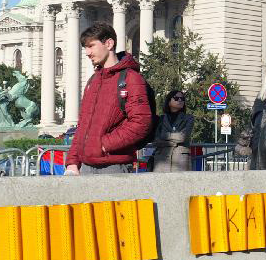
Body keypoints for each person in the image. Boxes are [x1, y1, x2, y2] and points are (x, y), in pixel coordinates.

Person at [64, 22, 154, 175]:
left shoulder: (131, 78)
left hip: (114, 167)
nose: (87, 52)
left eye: (91, 46)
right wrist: (72, 162)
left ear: (109, 43)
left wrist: (103, 145)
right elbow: (83, 125)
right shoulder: (93, 80)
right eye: (85, 47)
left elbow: (141, 122)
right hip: (85, 167)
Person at [150, 90, 195, 173]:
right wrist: (173, 142)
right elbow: (156, 141)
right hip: (161, 161)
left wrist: (165, 136)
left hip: (180, 161)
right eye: (176, 98)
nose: (180, 100)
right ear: (169, 101)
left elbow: (183, 137)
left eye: (182, 99)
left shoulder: (189, 118)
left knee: (180, 184)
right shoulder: (161, 119)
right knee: (161, 185)